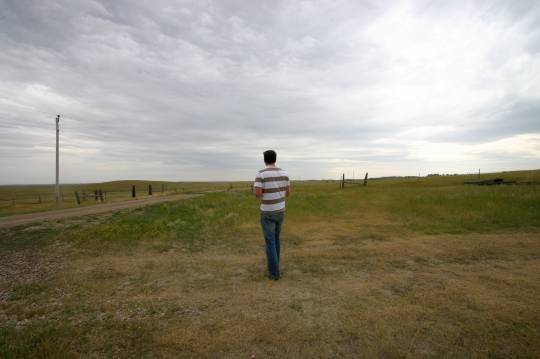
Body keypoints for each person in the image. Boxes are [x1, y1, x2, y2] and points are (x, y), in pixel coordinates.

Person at [253, 150, 290, 280]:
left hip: (267, 212)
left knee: (270, 242)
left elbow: (258, 194)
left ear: (265, 160)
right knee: (276, 239)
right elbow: (288, 193)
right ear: (275, 159)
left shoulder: (261, 174)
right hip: (281, 211)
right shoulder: (285, 173)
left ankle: (274, 273)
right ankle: (275, 267)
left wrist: (261, 191)